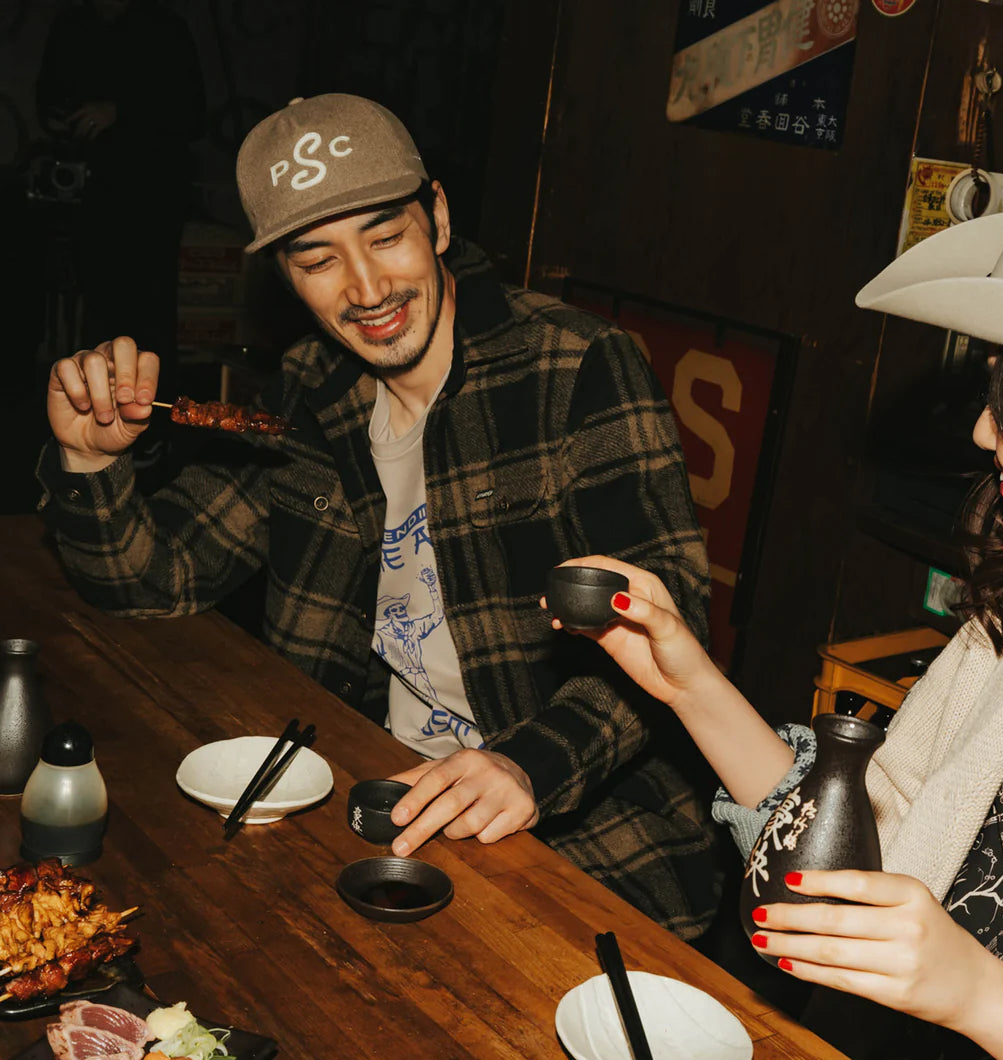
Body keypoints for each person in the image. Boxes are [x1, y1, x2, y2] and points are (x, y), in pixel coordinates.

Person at [36, 94, 717, 940]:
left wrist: (525, 765)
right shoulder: (312, 387)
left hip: (582, 836)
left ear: (437, 219)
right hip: (363, 796)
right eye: (318, 259)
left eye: (385, 237)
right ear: (286, 275)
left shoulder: (575, 364)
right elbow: (153, 580)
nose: (365, 290)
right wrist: (90, 461)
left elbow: (670, 615)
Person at [546, 142, 1003, 1060]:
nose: (981, 430)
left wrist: (980, 995)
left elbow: (963, 982)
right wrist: (688, 682)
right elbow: (855, 850)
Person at [35, 0, 206, 409]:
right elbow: (47, 98)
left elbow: (193, 113)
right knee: (96, 305)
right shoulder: (71, 25)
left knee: (150, 307)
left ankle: (154, 415)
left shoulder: (165, 27)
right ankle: (100, 408)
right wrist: (60, 119)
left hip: (151, 193)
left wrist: (122, 111)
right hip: (90, 189)